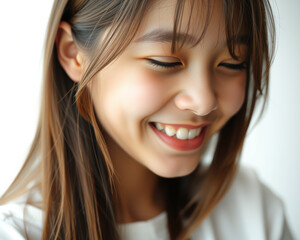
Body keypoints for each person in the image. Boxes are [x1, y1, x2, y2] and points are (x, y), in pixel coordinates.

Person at [0, 0, 294, 239]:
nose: (204, 101)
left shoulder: (253, 209)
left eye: (232, 63)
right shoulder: (17, 233)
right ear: (74, 53)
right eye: (165, 62)